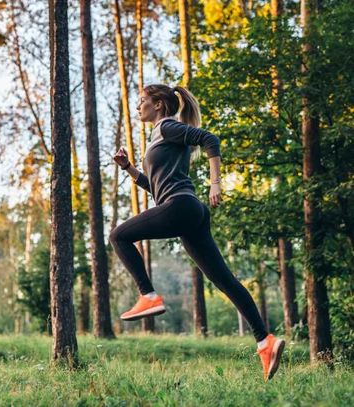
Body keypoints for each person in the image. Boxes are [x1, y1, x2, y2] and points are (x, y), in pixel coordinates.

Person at [110, 84, 285, 381]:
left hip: (182, 207)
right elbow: (156, 189)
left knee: (118, 235)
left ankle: (148, 295)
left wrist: (216, 183)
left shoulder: (168, 127)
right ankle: (265, 341)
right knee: (225, 280)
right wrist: (128, 168)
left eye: (142, 101)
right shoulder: (159, 136)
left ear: (160, 105)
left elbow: (209, 139)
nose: (138, 106)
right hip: (188, 210)